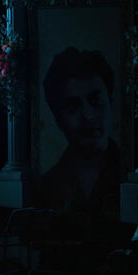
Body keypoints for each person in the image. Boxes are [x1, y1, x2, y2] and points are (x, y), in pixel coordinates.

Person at [36, 47, 121, 224]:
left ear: (111, 104)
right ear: (58, 119)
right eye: (73, 107)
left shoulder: (128, 176)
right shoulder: (47, 187)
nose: (88, 116)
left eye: (95, 101)